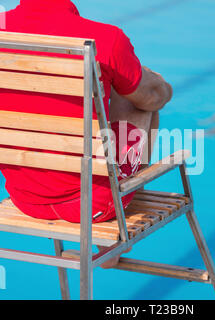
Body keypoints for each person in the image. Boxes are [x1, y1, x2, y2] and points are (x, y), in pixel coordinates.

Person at [0, 0, 173, 268]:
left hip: (26, 197)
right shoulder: (104, 38)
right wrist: (154, 82)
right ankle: (114, 229)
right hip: (95, 206)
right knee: (136, 99)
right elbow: (153, 99)